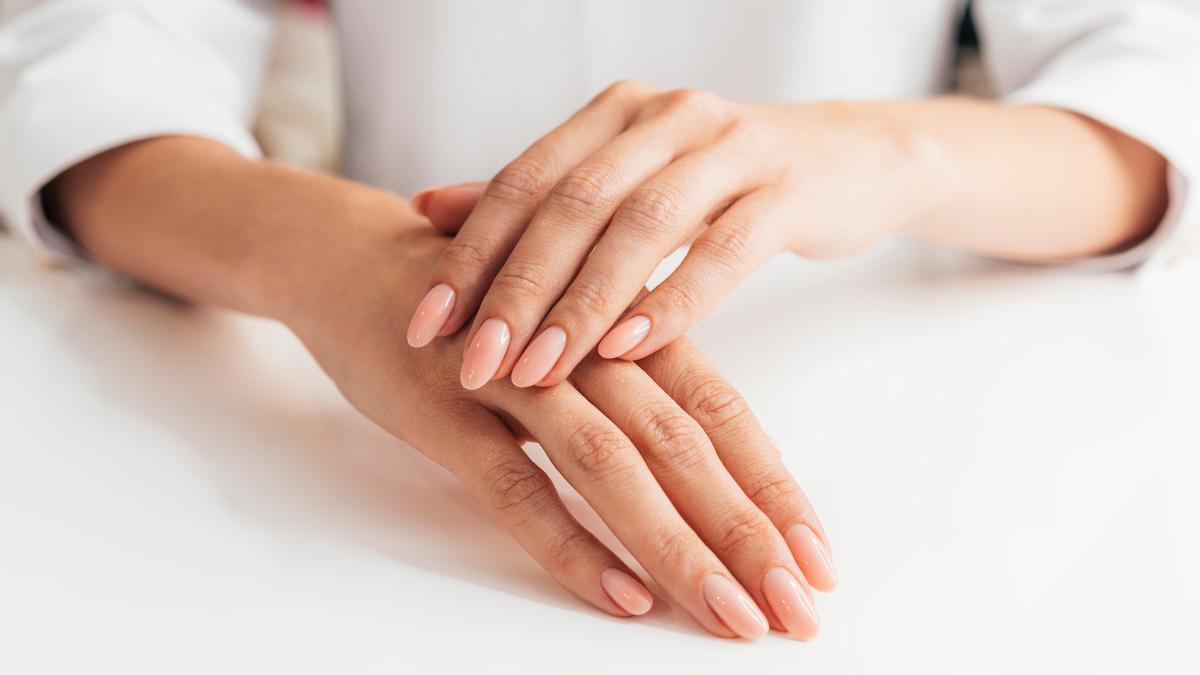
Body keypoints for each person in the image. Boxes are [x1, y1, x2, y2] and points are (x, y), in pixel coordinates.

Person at [1, 0, 1197, 642]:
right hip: (387, 379)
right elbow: (90, 56)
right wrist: (326, 251)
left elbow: (1152, 82)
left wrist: (883, 148)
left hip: (926, 393)